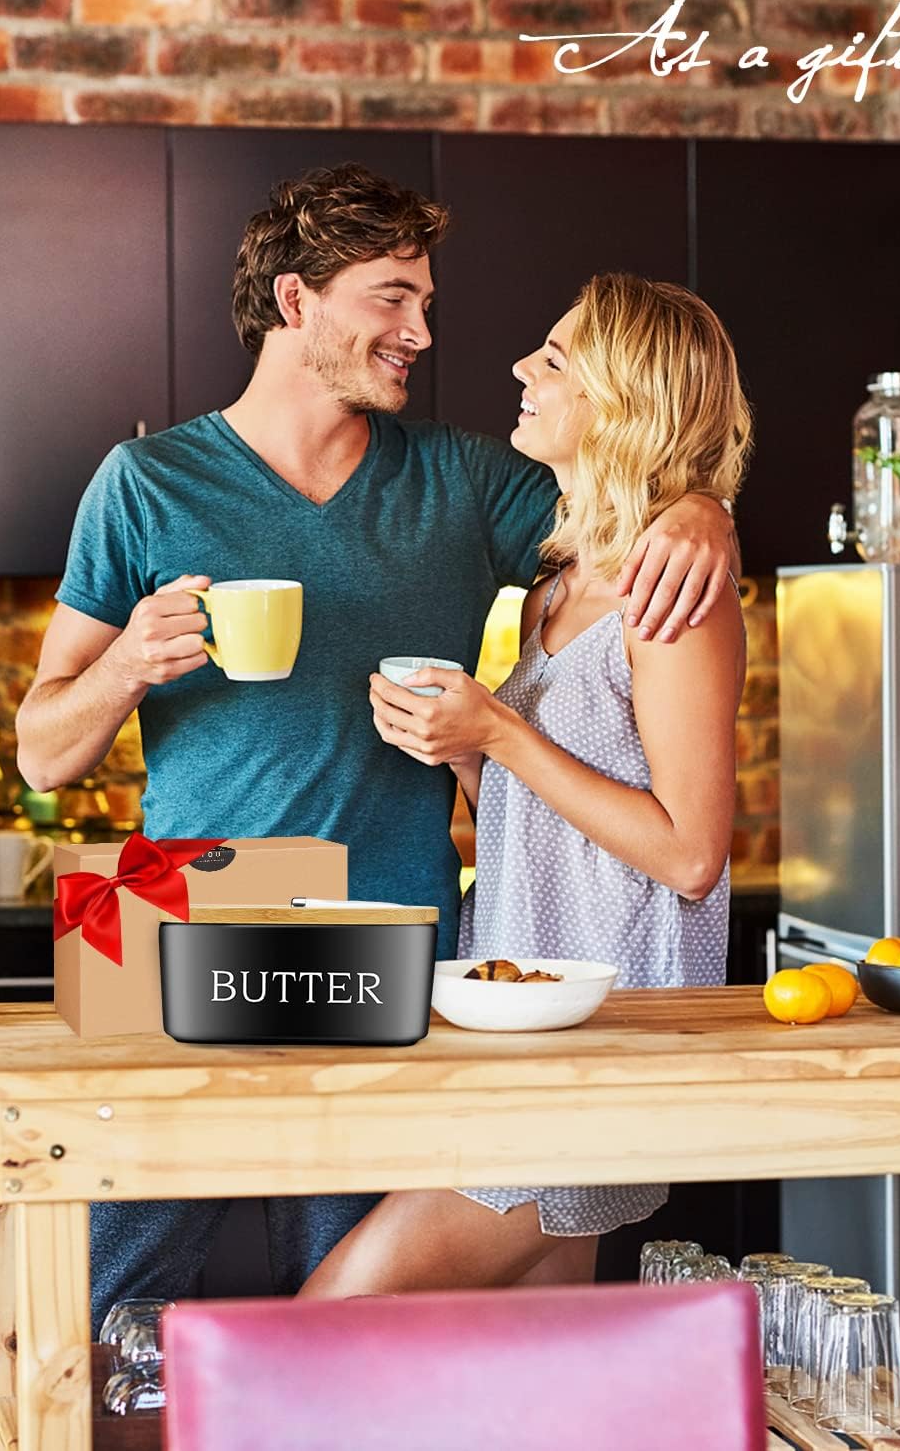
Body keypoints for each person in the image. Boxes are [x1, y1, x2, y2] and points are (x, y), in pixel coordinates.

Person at [16, 167, 738, 1330]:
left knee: (353, 1332)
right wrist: (121, 668)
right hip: (170, 919)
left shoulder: (464, 482)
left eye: (426, 301)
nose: (423, 333)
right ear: (296, 302)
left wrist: (706, 509)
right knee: (90, 1304)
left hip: (387, 936)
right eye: (393, 298)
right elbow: (40, 757)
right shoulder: (143, 484)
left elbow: (628, 499)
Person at [300, 273, 750, 1299]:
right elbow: (545, 820)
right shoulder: (557, 582)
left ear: (621, 400)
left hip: (599, 1049)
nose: (519, 368)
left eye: (554, 360)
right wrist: (462, 750)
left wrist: (498, 731)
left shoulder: (668, 590)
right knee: (529, 1379)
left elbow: (687, 855)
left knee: (329, 1320)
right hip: (529, 1035)